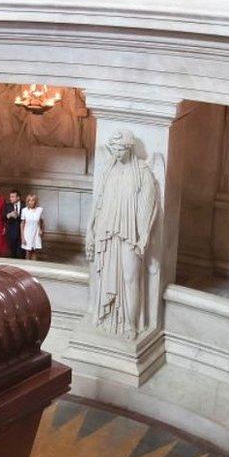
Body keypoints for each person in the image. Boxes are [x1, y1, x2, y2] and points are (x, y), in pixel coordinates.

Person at [86, 129, 159, 340]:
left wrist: (143, 236)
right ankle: (109, 316)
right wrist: (89, 229)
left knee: (130, 277)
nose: (116, 153)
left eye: (119, 149)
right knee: (105, 275)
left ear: (129, 148)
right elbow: (98, 201)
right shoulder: (108, 169)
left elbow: (149, 207)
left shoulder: (142, 172)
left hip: (130, 234)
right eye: (114, 149)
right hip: (106, 231)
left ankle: (130, 324)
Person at [20, 194, 44, 261]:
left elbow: (41, 221)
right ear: (27, 201)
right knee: (28, 251)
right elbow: (22, 224)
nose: (31, 202)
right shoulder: (24, 210)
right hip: (27, 233)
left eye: (33, 200)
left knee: (35, 251)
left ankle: (35, 268)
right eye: (29, 200)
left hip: (36, 232)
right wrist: (22, 237)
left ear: (35, 201)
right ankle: (28, 267)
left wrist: (41, 229)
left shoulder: (40, 210)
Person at [3, 189, 24, 259]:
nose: (10, 198)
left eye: (12, 197)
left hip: (22, 233)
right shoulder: (7, 205)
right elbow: (3, 217)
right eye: (10, 197)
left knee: (22, 253)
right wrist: (8, 215)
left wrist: (19, 216)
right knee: (13, 253)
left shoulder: (24, 205)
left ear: (18, 197)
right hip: (11, 233)